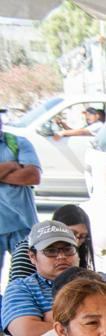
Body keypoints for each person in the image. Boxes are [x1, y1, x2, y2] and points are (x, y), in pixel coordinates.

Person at [3, 222, 106, 336]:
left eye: (68, 249)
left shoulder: (102, 279)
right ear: (32, 256)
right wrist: (93, 321)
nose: (61, 256)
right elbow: (26, 333)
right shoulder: (21, 288)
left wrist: (54, 316)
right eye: (51, 251)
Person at [7, 204, 99, 283]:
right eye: (72, 234)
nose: (77, 241)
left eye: (82, 236)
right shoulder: (27, 250)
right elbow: (18, 290)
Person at [0, 106, 41, 277]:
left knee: (28, 278)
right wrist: (10, 166)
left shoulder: (18, 142)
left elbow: (33, 176)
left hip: (23, 225)